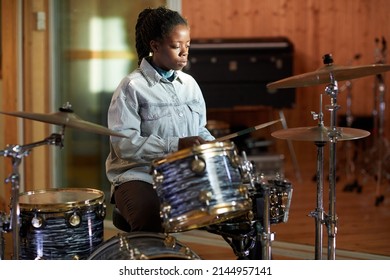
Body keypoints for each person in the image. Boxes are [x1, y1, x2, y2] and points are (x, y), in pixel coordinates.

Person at [105, 6, 215, 233]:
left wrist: (212, 145)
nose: (184, 53)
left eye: (187, 46)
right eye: (176, 47)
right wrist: (176, 144)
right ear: (155, 46)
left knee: (245, 204)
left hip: (184, 172)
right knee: (150, 215)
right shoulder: (132, 86)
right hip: (140, 176)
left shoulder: (190, 85)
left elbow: (199, 130)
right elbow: (124, 145)